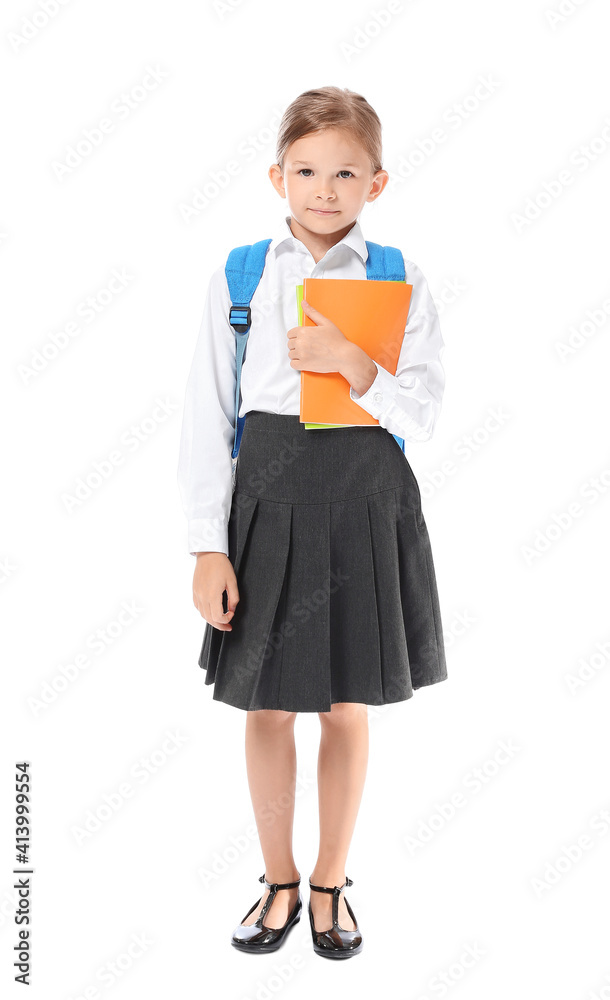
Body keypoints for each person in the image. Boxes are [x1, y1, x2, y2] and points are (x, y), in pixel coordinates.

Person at [177, 85, 448, 960]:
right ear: (276, 175)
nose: (323, 188)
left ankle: (330, 881)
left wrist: (353, 367)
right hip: (266, 500)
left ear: (376, 184)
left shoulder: (398, 275)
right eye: (305, 170)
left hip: (363, 500)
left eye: (344, 172)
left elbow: (427, 414)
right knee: (263, 708)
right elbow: (206, 419)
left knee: (341, 704)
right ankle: (279, 879)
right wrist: (207, 546)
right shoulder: (242, 274)